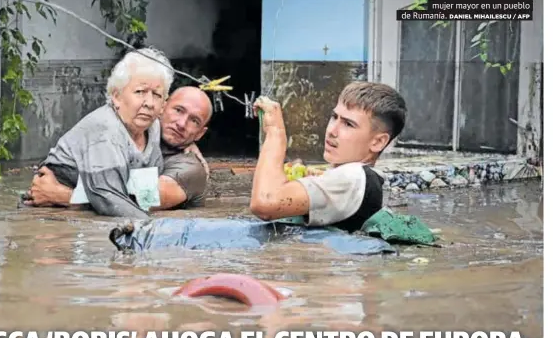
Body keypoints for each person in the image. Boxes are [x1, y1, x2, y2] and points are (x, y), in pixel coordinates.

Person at [24, 47, 174, 219]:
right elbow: (109, 200)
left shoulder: (153, 128)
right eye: (140, 92)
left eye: (157, 95)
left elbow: (144, 197)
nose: (149, 103)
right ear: (116, 96)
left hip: (78, 203)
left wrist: (67, 197)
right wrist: (157, 232)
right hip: (50, 214)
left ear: (163, 105)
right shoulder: (106, 128)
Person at [249, 81, 407, 233]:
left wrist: (275, 131)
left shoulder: (352, 176)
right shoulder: (361, 179)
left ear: (378, 142)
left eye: (348, 124)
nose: (332, 130)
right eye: (334, 117)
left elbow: (265, 203)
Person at [24, 85, 213, 212]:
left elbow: (142, 201)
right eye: (178, 110)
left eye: (194, 121)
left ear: (200, 133)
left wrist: (63, 196)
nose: (181, 123)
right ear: (161, 107)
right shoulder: (131, 134)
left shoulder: (190, 168)